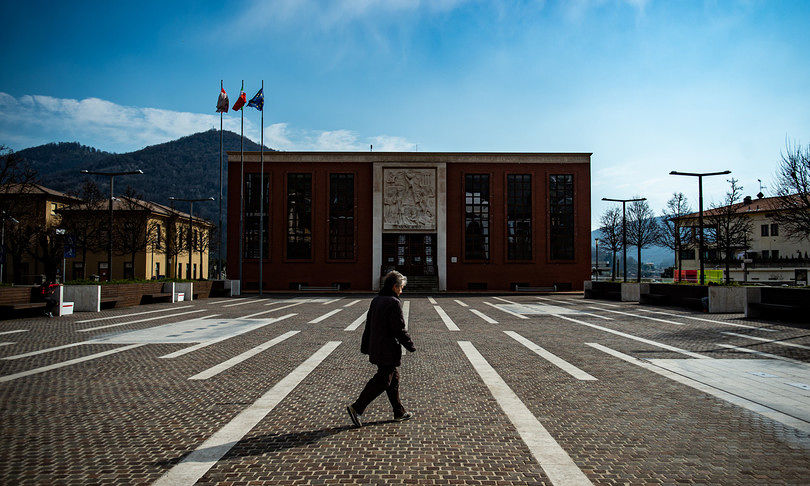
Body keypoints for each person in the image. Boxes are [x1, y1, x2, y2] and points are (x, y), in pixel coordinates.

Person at [347, 270, 416, 427]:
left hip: (376, 345)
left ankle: (399, 411)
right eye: (401, 287)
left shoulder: (376, 300)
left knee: (393, 380)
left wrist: (366, 346)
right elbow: (398, 329)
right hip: (388, 348)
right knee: (383, 380)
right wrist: (410, 345)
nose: (402, 290)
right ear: (394, 286)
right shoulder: (393, 302)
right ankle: (357, 407)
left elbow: (368, 325)